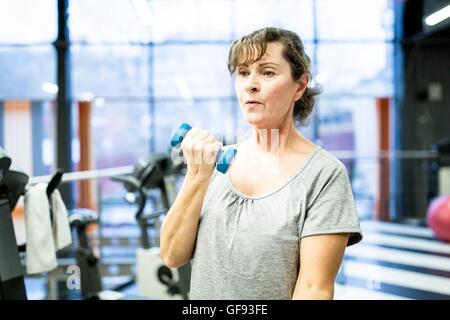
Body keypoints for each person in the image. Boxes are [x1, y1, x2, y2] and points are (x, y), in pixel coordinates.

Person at [160, 27, 363, 300]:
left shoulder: (324, 174)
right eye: (243, 73)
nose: (250, 84)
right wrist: (197, 176)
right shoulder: (214, 163)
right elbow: (172, 254)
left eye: (267, 72)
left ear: (299, 86)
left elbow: (315, 288)